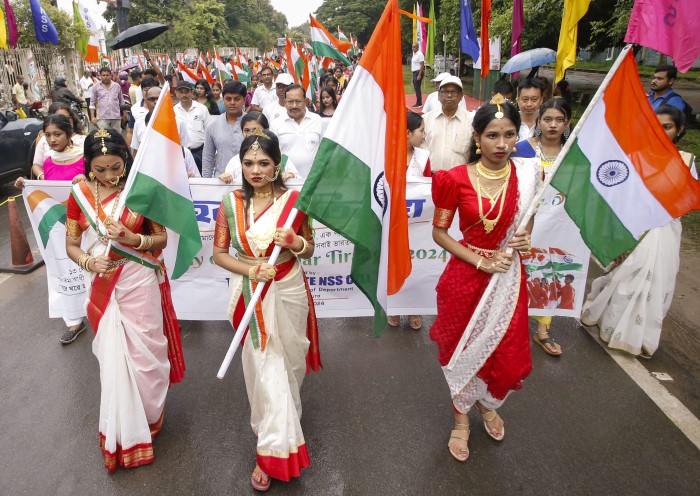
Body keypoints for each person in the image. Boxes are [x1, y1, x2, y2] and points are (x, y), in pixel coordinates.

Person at [64, 128, 184, 471]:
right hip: (103, 281)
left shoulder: (141, 189)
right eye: (100, 170)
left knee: (148, 355)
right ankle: (124, 427)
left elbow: (159, 239)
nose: (109, 176)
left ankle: (148, 418)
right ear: (89, 166)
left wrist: (132, 237)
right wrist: (88, 261)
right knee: (113, 357)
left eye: (116, 167)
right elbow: (71, 245)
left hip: (138, 278)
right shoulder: (80, 193)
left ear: (126, 161)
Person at [429, 94, 540, 462]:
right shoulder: (453, 179)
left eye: (510, 134)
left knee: (502, 349)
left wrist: (525, 239)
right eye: (493, 135)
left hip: (508, 275)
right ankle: (461, 418)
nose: (502, 144)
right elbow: (441, 234)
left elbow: (526, 224)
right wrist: (480, 260)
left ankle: (487, 404)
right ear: (477, 138)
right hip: (466, 277)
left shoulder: (528, 173)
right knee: (462, 349)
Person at [212, 129, 319, 491]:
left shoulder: (294, 202)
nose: (255, 170)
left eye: (263, 163)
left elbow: (310, 248)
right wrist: (252, 271)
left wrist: (295, 241)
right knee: (264, 369)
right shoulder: (230, 204)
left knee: (289, 366)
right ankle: (270, 450)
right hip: (249, 292)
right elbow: (219, 255)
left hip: (288, 289)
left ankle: (285, 422)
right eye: (248, 163)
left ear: (276, 167)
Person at [14, 114, 87, 344]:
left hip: (85, 225)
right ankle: (74, 320)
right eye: (48, 135)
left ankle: (101, 313)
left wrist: (85, 179)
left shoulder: (84, 157)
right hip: (59, 228)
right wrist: (26, 184)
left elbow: (98, 182)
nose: (53, 139)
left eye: (57, 134)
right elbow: (43, 192)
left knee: (90, 267)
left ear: (69, 134)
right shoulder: (47, 162)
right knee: (64, 269)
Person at [512, 98, 573, 357]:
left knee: (551, 274)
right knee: (519, 276)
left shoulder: (574, 153)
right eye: (548, 119)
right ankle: (509, 328)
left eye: (560, 120)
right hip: (525, 225)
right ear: (539, 121)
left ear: (568, 123)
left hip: (560, 226)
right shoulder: (522, 150)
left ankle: (542, 331)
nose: (553, 125)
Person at [387, 111, 431, 329]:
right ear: (407, 133)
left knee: (417, 265)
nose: (424, 135)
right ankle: (393, 306)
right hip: (391, 225)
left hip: (416, 226)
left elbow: (430, 190)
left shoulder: (423, 158)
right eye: (421, 130)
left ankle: (415, 307)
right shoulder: (386, 156)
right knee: (391, 266)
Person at [219, 112, 302, 183]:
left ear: (267, 131)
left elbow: (300, 184)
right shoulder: (235, 161)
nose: (251, 134)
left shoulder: (281, 159)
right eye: (246, 130)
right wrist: (225, 178)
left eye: (256, 130)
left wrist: (291, 176)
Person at [270, 84, 323, 178]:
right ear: (285, 102)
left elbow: (324, 151)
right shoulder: (276, 124)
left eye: (298, 101)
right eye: (290, 102)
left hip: (313, 180)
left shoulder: (317, 120)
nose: (294, 106)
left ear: (306, 101)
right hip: (287, 180)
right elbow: (272, 154)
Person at [423, 75, 474, 172]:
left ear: (461, 96)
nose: (449, 95)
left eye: (454, 92)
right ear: (438, 95)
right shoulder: (425, 120)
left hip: (459, 180)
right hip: (431, 178)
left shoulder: (471, 121)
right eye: (445, 92)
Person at [202, 81, 247, 178]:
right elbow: (208, 157)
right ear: (223, 100)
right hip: (222, 181)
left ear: (244, 99)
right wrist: (206, 183)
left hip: (249, 182)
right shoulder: (213, 125)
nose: (232, 103)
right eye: (228, 99)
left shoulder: (253, 123)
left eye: (237, 99)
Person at [174, 81, 210, 172]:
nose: (184, 95)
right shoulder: (173, 111)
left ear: (191, 92)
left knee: (203, 177)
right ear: (176, 93)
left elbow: (209, 130)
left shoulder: (202, 109)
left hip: (201, 151)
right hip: (181, 153)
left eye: (186, 92)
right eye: (181, 92)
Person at [411, 42, 425, 107]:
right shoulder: (414, 54)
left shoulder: (420, 54)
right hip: (414, 72)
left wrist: (419, 74)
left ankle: (419, 103)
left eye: (414, 47)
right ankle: (418, 102)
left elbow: (422, 64)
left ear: (418, 47)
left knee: (417, 88)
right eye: (412, 47)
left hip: (418, 72)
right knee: (416, 88)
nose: (413, 48)